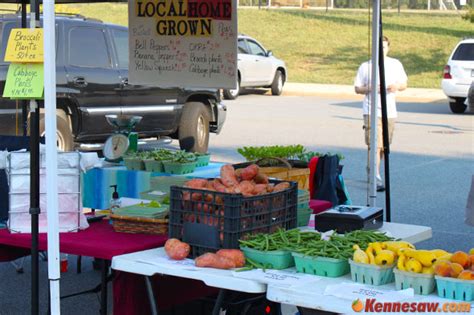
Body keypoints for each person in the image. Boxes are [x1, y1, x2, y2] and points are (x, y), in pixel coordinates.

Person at [354, 36, 408, 192]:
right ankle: (375, 177)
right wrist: (369, 88)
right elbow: (357, 88)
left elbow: (404, 84)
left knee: (384, 146)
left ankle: (372, 169)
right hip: (371, 111)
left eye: (384, 47)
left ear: (388, 48)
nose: (381, 50)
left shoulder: (395, 64)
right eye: (379, 47)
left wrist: (396, 86)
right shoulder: (366, 66)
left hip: (389, 111)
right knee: (375, 145)